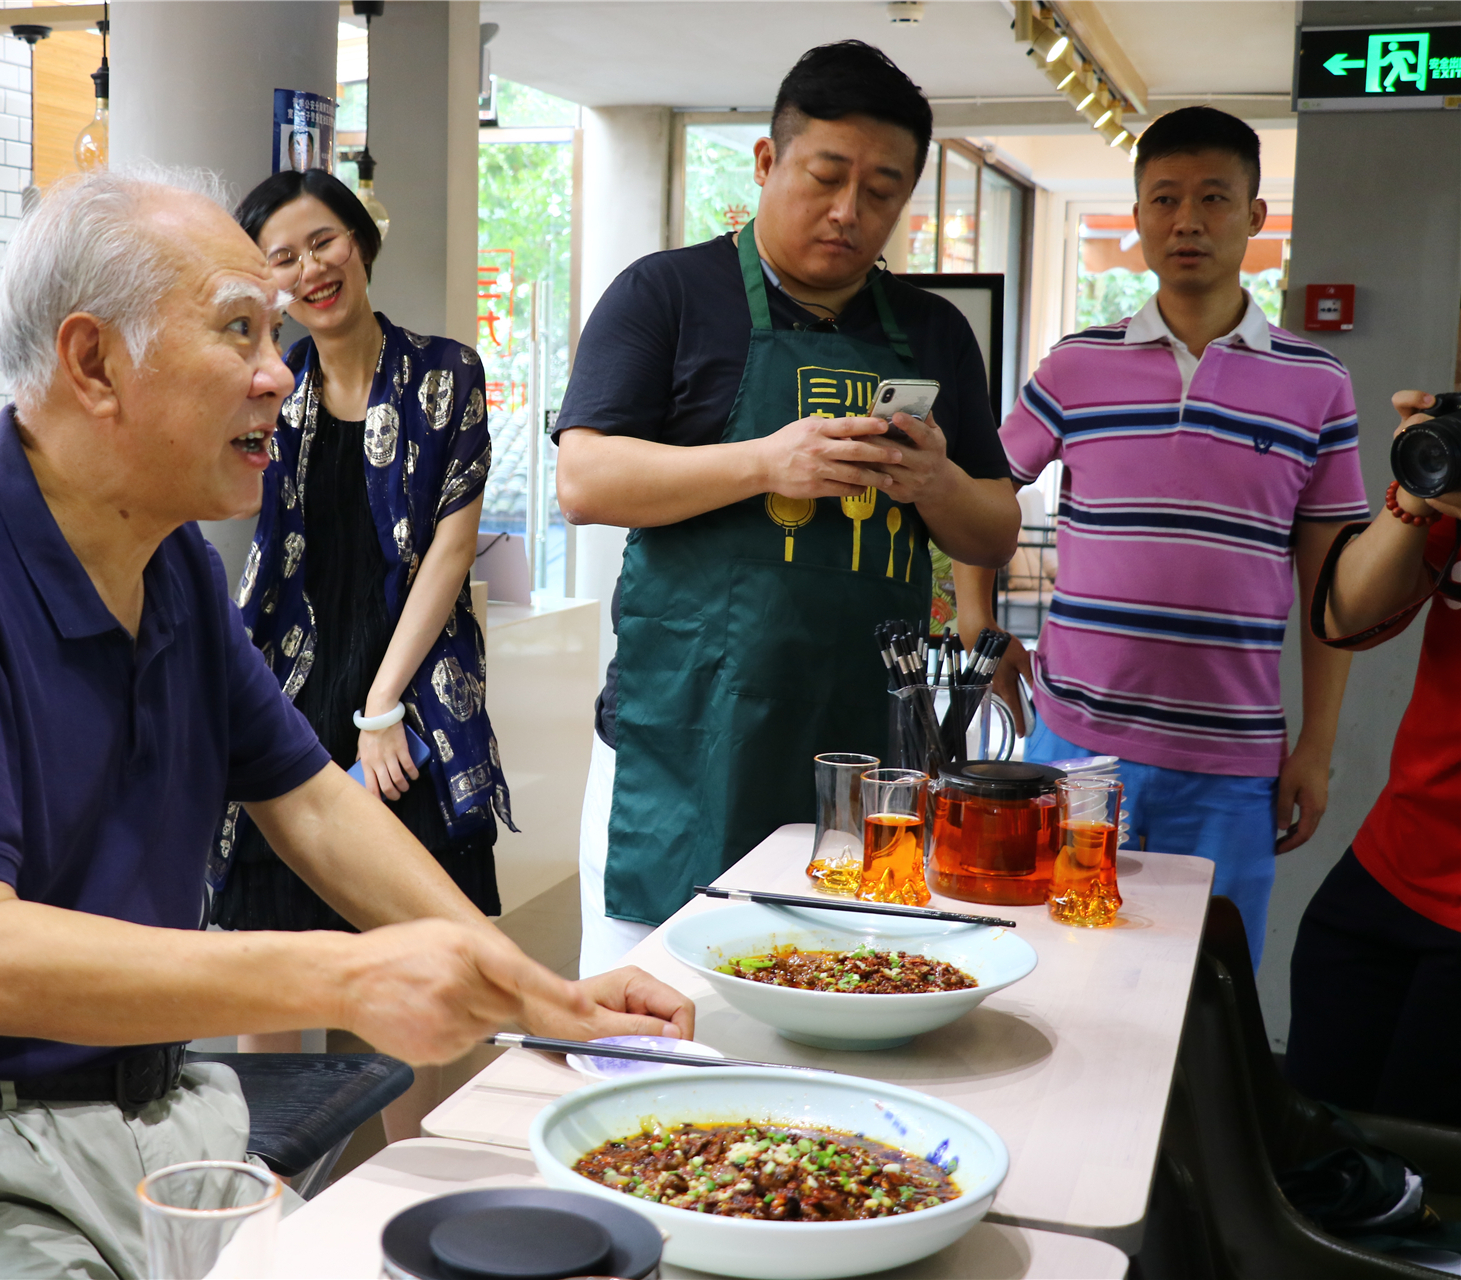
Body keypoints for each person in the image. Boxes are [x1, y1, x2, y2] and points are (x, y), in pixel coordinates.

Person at [0, 165, 693, 1278]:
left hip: (142, 1111)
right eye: (240, 329)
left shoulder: (175, 568)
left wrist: (535, 991)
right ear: (92, 360)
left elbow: (313, 803)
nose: (276, 375)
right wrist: (344, 977)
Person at [554, 41, 1020, 975]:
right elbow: (586, 481)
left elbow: (995, 525)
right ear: (768, 163)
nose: (850, 212)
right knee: (652, 1013)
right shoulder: (668, 295)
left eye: (884, 190)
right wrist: (768, 461)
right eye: (827, 176)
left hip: (865, 746)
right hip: (686, 734)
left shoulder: (931, 331)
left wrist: (934, 484)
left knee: (837, 997)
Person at [952, 107, 1367, 968]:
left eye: (1214, 198)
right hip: (1071, 747)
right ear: (1137, 217)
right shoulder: (1076, 365)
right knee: (1049, 970)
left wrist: (1318, 748)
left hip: (1232, 760)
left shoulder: (1318, 383)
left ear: (1256, 216)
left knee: (1205, 997)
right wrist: (976, 627)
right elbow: (980, 490)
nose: (1187, 220)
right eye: (1164, 199)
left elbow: (1333, 583)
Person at [213, 171, 510, 1136]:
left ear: (361, 241)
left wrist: (382, 705)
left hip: (411, 700)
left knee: (424, 976)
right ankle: (274, 1202)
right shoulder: (266, 389)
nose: (311, 269)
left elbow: (450, 555)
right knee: (270, 974)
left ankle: (432, 1196)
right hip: (286, 699)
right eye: (284, 258)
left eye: (324, 241)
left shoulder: (446, 374)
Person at [1286, 389, 1460, 1125]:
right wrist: (1421, 490)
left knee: (1424, 1187)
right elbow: (1347, 618)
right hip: (1393, 866)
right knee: (1322, 1149)